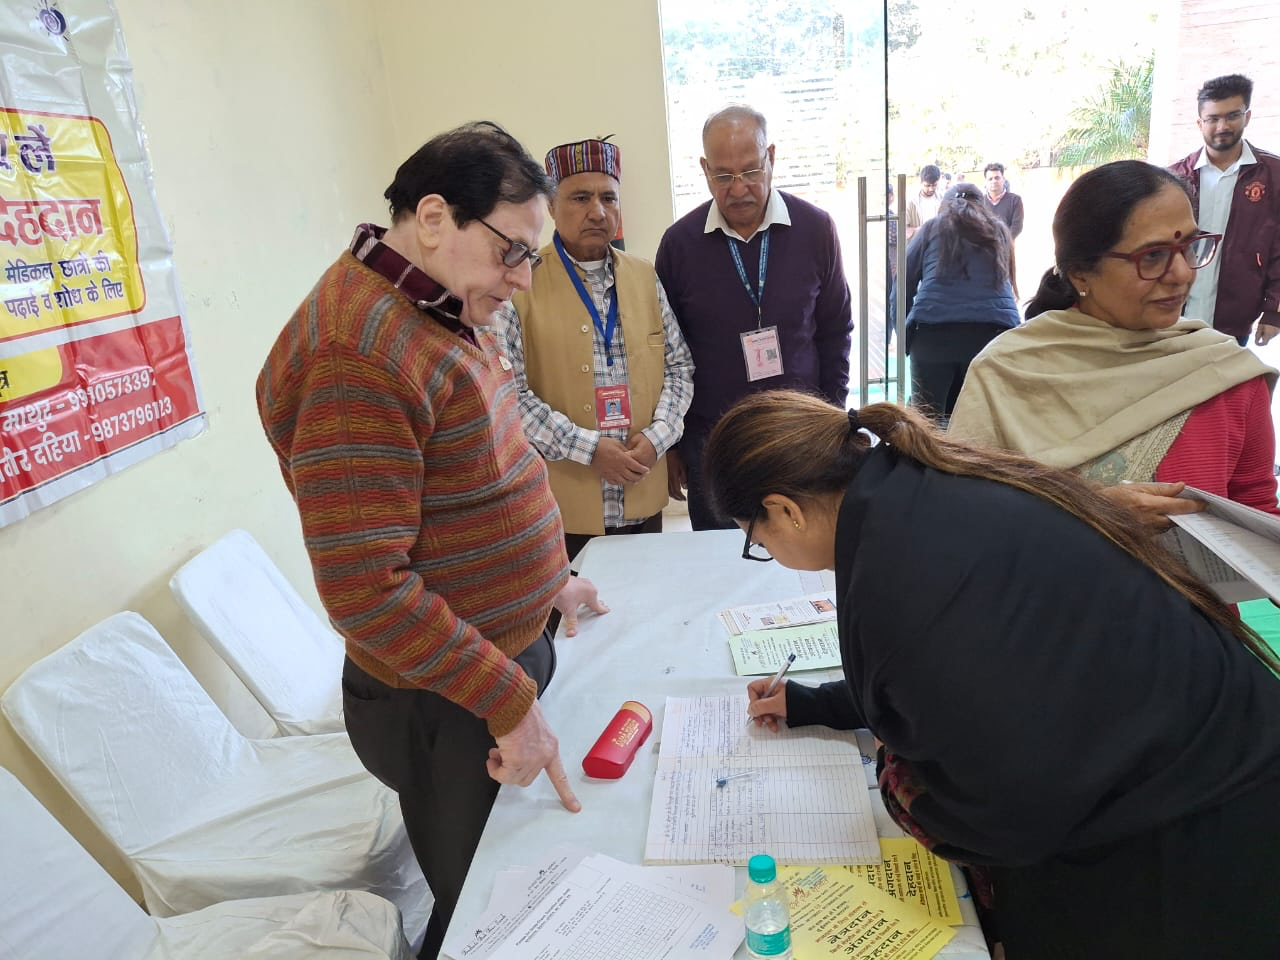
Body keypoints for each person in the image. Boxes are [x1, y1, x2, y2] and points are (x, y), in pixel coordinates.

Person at [706, 388, 1280, 958]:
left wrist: (896, 776)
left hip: (1180, 843)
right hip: (1202, 753)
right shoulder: (927, 483)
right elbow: (969, 671)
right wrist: (819, 703)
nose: (767, 550)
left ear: (785, 510)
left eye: (758, 540)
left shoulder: (900, 576)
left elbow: (1000, 821)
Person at [256, 121, 608, 957]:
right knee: (492, 912)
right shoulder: (357, 354)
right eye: (511, 252)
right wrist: (507, 701)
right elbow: (365, 593)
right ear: (434, 216)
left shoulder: (432, 301)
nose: (521, 279)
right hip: (444, 699)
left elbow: (475, 470)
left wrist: (545, 580)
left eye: (531, 256)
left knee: (528, 881)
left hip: (487, 668)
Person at [950, 160, 1278, 525]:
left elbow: (1257, 510)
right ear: (1080, 273)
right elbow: (960, 516)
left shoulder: (1225, 372)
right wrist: (1088, 516)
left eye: (1188, 246)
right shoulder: (1007, 372)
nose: (1183, 273)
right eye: (1152, 256)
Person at [655, 104, 852, 530]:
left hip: (798, 434)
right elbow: (666, 355)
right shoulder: (679, 245)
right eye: (723, 176)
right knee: (720, 555)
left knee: (801, 551)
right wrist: (671, 443)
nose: (739, 188)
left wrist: (833, 418)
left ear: (771, 158)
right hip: (713, 442)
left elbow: (836, 330)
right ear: (704, 170)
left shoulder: (815, 229)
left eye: (750, 171)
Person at [498, 137, 694, 560]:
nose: (597, 212)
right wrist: (588, 450)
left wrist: (657, 438)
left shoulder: (644, 277)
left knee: (646, 592)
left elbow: (679, 368)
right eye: (580, 198)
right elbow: (509, 394)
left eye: (609, 198)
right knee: (576, 601)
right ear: (551, 205)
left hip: (643, 489)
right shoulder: (521, 283)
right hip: (563, 503)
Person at [890, 182, 1019, 422]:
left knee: (925, 427)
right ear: (983, 205)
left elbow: (901, 287)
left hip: (933, 337)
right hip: (992, 339)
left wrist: (906, 338)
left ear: (944, 205)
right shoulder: (1000, 231)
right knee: (981, 426)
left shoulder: (931, 228)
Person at [1169, 73, 1280, 347]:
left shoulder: (1273, 175)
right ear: (1200, 123)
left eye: (1232, 116)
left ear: (1247, 116)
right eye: (1213, 118)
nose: (1222, 126)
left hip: (1235, 318)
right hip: (1174, 314)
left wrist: (1274, 310)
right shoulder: (1175, 177)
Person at [982, 162, 1024, 240]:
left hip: (1007, 245)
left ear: (1003, 179)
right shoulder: (979, 201)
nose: (994, 181)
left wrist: (1003, 242)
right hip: (985, 245)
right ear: (986, 182)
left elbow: (1017, 227)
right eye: (990, 179)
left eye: (997, 178)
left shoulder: (1015, 200)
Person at [904, 164, 942, 242]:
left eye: (934, 185)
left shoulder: (942, 198)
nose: (931, 189)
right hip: (918, 246)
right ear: (920, 182)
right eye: (927, 185)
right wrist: (922, 230)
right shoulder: (910, 202)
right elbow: (903, 230)